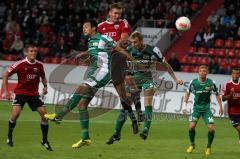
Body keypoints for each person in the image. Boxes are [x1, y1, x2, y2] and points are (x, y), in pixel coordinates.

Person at [44, 19, 138, 148]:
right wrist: (83, 55)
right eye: (83, 27)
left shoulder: (103, 38)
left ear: (94, 28)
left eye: (86, 26)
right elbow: (95, 54)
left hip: (103, 71)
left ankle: (59, 116)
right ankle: (85, 138)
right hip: (94, 72)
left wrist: (132, 60)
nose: (84, 29)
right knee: (82, 105)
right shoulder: (90, 41)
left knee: (82, 88)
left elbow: (118, 49)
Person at [106, 31, 183, 143]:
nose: (133, 44)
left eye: (135, 42)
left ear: (141, 41)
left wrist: (175, 79)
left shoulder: (153, 50)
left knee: (147, 102)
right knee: (125, 108)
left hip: (149, 79)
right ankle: (116, 133)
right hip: (134, 80)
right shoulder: (130, 50)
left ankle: (146, 130)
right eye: (131, 42)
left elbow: (166, 65)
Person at [98, 2, 144, 122]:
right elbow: (98, 44)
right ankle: (132, 116)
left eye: (119, 13)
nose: (117, 16)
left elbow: (124, 40)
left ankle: (139, 112)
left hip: (122, 57)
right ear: (110, 13)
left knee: (130, 82)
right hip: (109, 61)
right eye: (115, 13)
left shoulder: (123, 22)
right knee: (122, 94)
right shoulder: (100, 27)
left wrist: (112, 46)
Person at [2, 44, 53, 151]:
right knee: (15, 114)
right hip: (20, 93)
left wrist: (45, 87)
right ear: (26, 53)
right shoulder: (20, 64)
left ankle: (44, 141)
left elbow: (43, 77)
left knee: (45, 115)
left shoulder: (39, 65)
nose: (33, 53)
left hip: (33, 94)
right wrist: (6, 92)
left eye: (35, 51)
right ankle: (9, 136)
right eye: (31, 51)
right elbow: (5, 75)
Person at [181, 65, 224, 155]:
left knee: (211, 129)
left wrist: (221, 106)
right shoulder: (193, 82)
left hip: (206, 109)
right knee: (191, 127)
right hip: (196, 108)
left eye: (204, 71)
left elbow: (217, 94)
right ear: (198, 72)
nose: (202, 73)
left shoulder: (211, 83)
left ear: (207, 73)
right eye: (201, 71)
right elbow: (187, 93)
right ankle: (192, 145)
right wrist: (184, 105)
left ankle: (208, 147)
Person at [222, 68, 240, 144]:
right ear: (231, 74)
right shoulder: (227, 85)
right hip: (233, 113)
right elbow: (223, 98)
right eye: (234, 73)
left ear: (239, 75)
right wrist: (230, 95)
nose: (235, 75)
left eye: (237, 73)